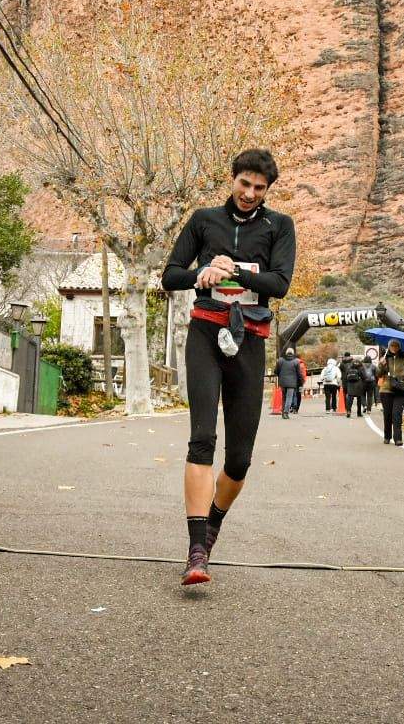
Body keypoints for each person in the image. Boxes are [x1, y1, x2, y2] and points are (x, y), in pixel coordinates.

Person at [161, 148, 296, 587]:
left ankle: (213, 524)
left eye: (259, 188)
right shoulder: (204, 220)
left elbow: (279, 283)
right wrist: (203, 271)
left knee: (238, 460)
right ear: (232, 179)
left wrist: (234, 269)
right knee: (202, 440)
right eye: (244, 183)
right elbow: (170, 275)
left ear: (267, 191)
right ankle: (196, 550)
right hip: (205, 334)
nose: (250, 193)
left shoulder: (281, 227)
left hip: (250, 342)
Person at [378, 339, 404, 446]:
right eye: (392, 346)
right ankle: (387, 436)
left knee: (397, 415)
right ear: (389, 347)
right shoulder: (385, 358)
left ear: (399, 347)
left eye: (396, 346)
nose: (394, 348)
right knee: (388, 415)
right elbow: (378, 374)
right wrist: (381, 365)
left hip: (399, 390)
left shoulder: (403, 359)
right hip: (386, 390)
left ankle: (398, 438)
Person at [274, 348, 300, 420]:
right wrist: (300, 382)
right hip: (292, 383)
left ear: (286, 353)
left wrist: (280, 375)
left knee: (284, 398)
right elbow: (299, 373)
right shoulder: (296, 361)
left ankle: (283, 412)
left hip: (282, 382)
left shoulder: (280, 360)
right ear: (293, 353)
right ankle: (285, 413)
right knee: (289, 398)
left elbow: (275, 371)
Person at [341, 352, 363, 418]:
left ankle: (348, 411)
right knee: (359, 399)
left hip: (350, 385)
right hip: (358, 386)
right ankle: (359, 413)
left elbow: (345, 376)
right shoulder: (360, 368)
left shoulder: (347, 368)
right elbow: (363, 376)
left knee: (350, 399)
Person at [361, 347, 379, 415]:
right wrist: (376, 382)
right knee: (370, 396)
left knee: (362, 395)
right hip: (372, 382)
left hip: (363, 382)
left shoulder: (361, 366)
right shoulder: (373, 366)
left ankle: (364, 406)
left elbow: (359, 374)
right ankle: (369, 410)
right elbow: (376, 375)